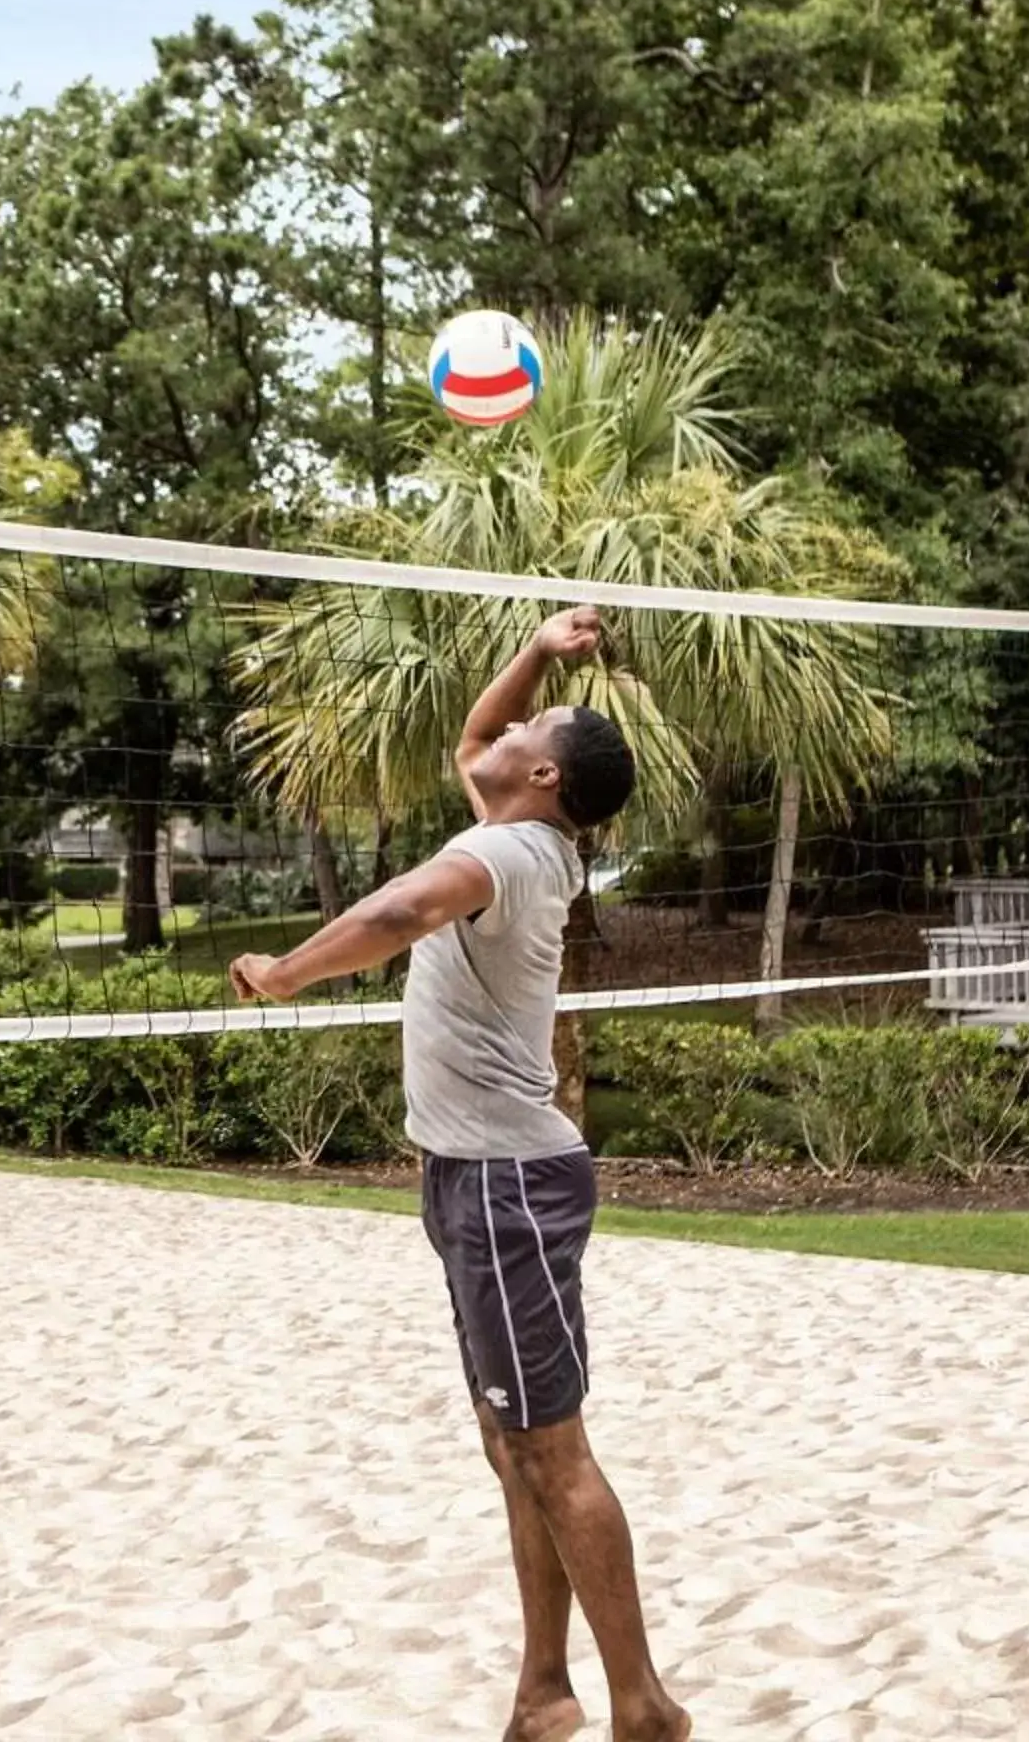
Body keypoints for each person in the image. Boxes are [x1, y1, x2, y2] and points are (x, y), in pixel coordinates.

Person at [230, 606, 688, 1742]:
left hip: (507, 1183)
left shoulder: (507, 852)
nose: (509, 721)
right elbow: (482, 727)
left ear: (539, 772)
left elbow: (397, 908)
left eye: (534, 722)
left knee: (553, 1445)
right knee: (511, 1438)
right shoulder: (521, 823)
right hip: (471, 1175)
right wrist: (538, 648)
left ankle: (644, 1703)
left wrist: (285, 973)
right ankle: (545, 1685)